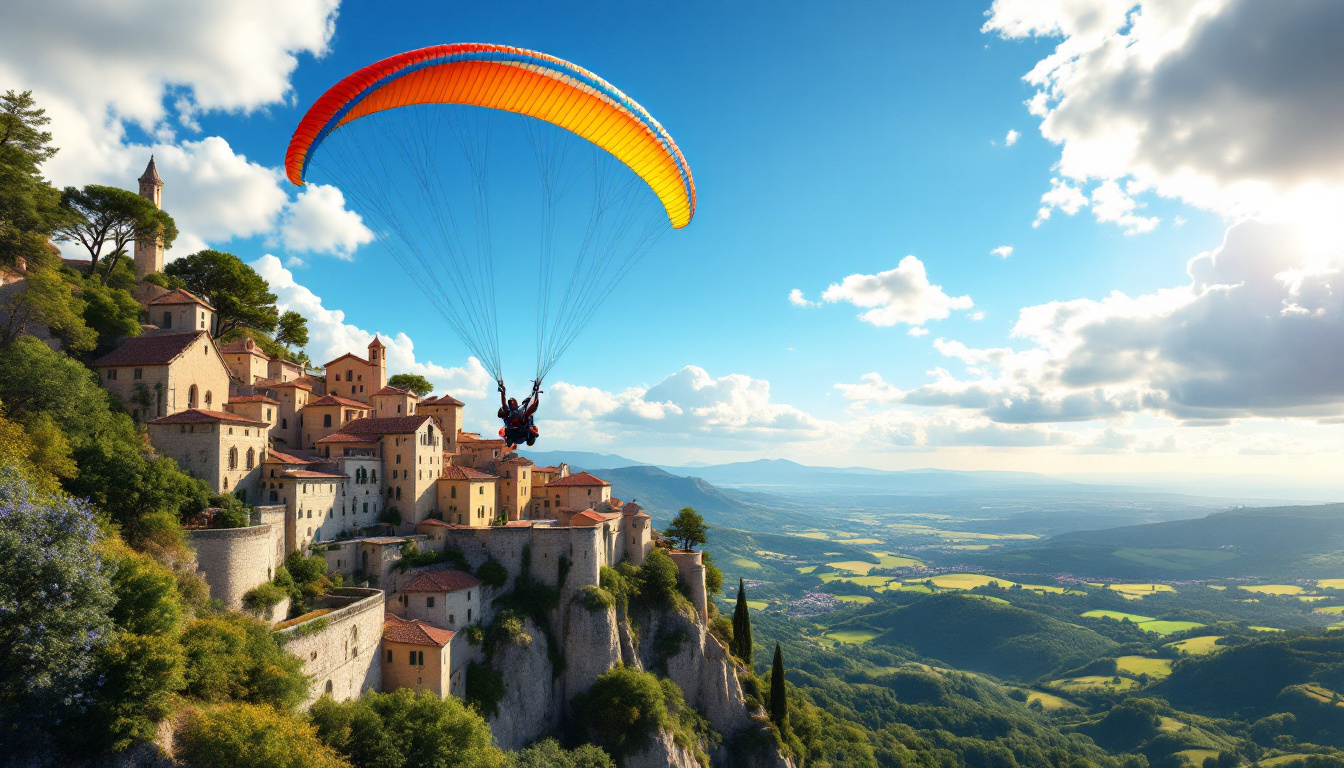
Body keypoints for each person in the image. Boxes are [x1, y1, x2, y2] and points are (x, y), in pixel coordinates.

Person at [497, 379, 541, 448]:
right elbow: (504, 405)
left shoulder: (521, 410)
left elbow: (531, 406)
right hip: (517, 434)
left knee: (527, 414)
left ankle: (536, 390)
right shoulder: (509, 413)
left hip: (521, 433)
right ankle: (536, 390)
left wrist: (502, 392)